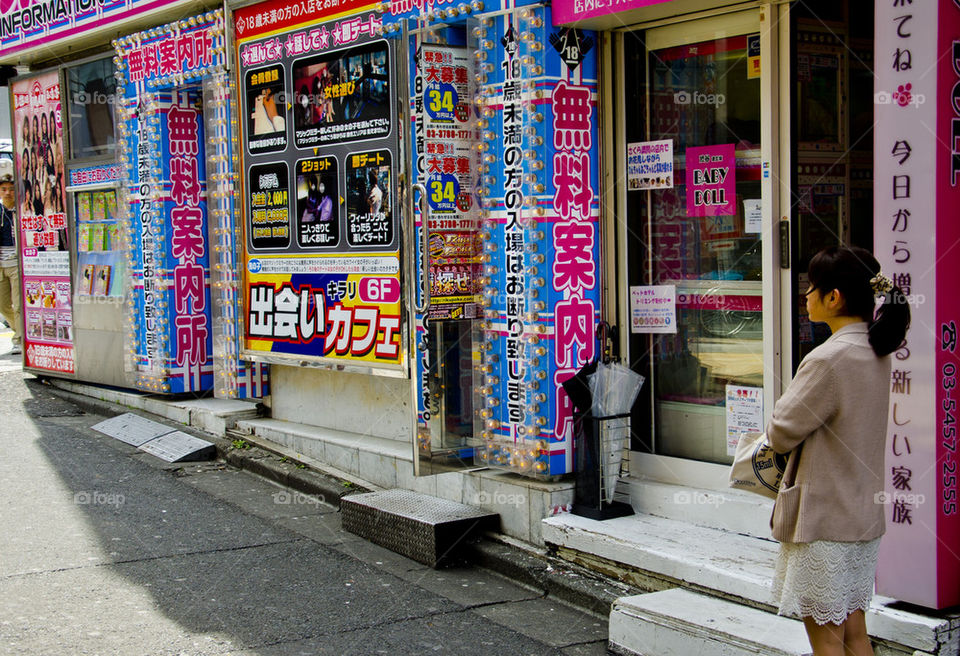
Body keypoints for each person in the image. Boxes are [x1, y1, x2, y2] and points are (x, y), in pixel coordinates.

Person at [766, 246, 910, 656]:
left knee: (826, 643)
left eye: (812, 288)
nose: (805, 296)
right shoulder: (875, 349)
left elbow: (780, 431)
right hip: (862, 517)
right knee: (854, 632)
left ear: (834, 297)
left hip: (824, 523)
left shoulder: (828, 358)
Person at [0, 160, 22, 356]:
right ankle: (21, 332)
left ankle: (19, 339)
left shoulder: (23, 209)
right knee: (3, 304)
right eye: (4, 189)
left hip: (17, 263)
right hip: (1, 265)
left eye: (11, 189)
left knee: (18, 303)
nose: (7, 193)